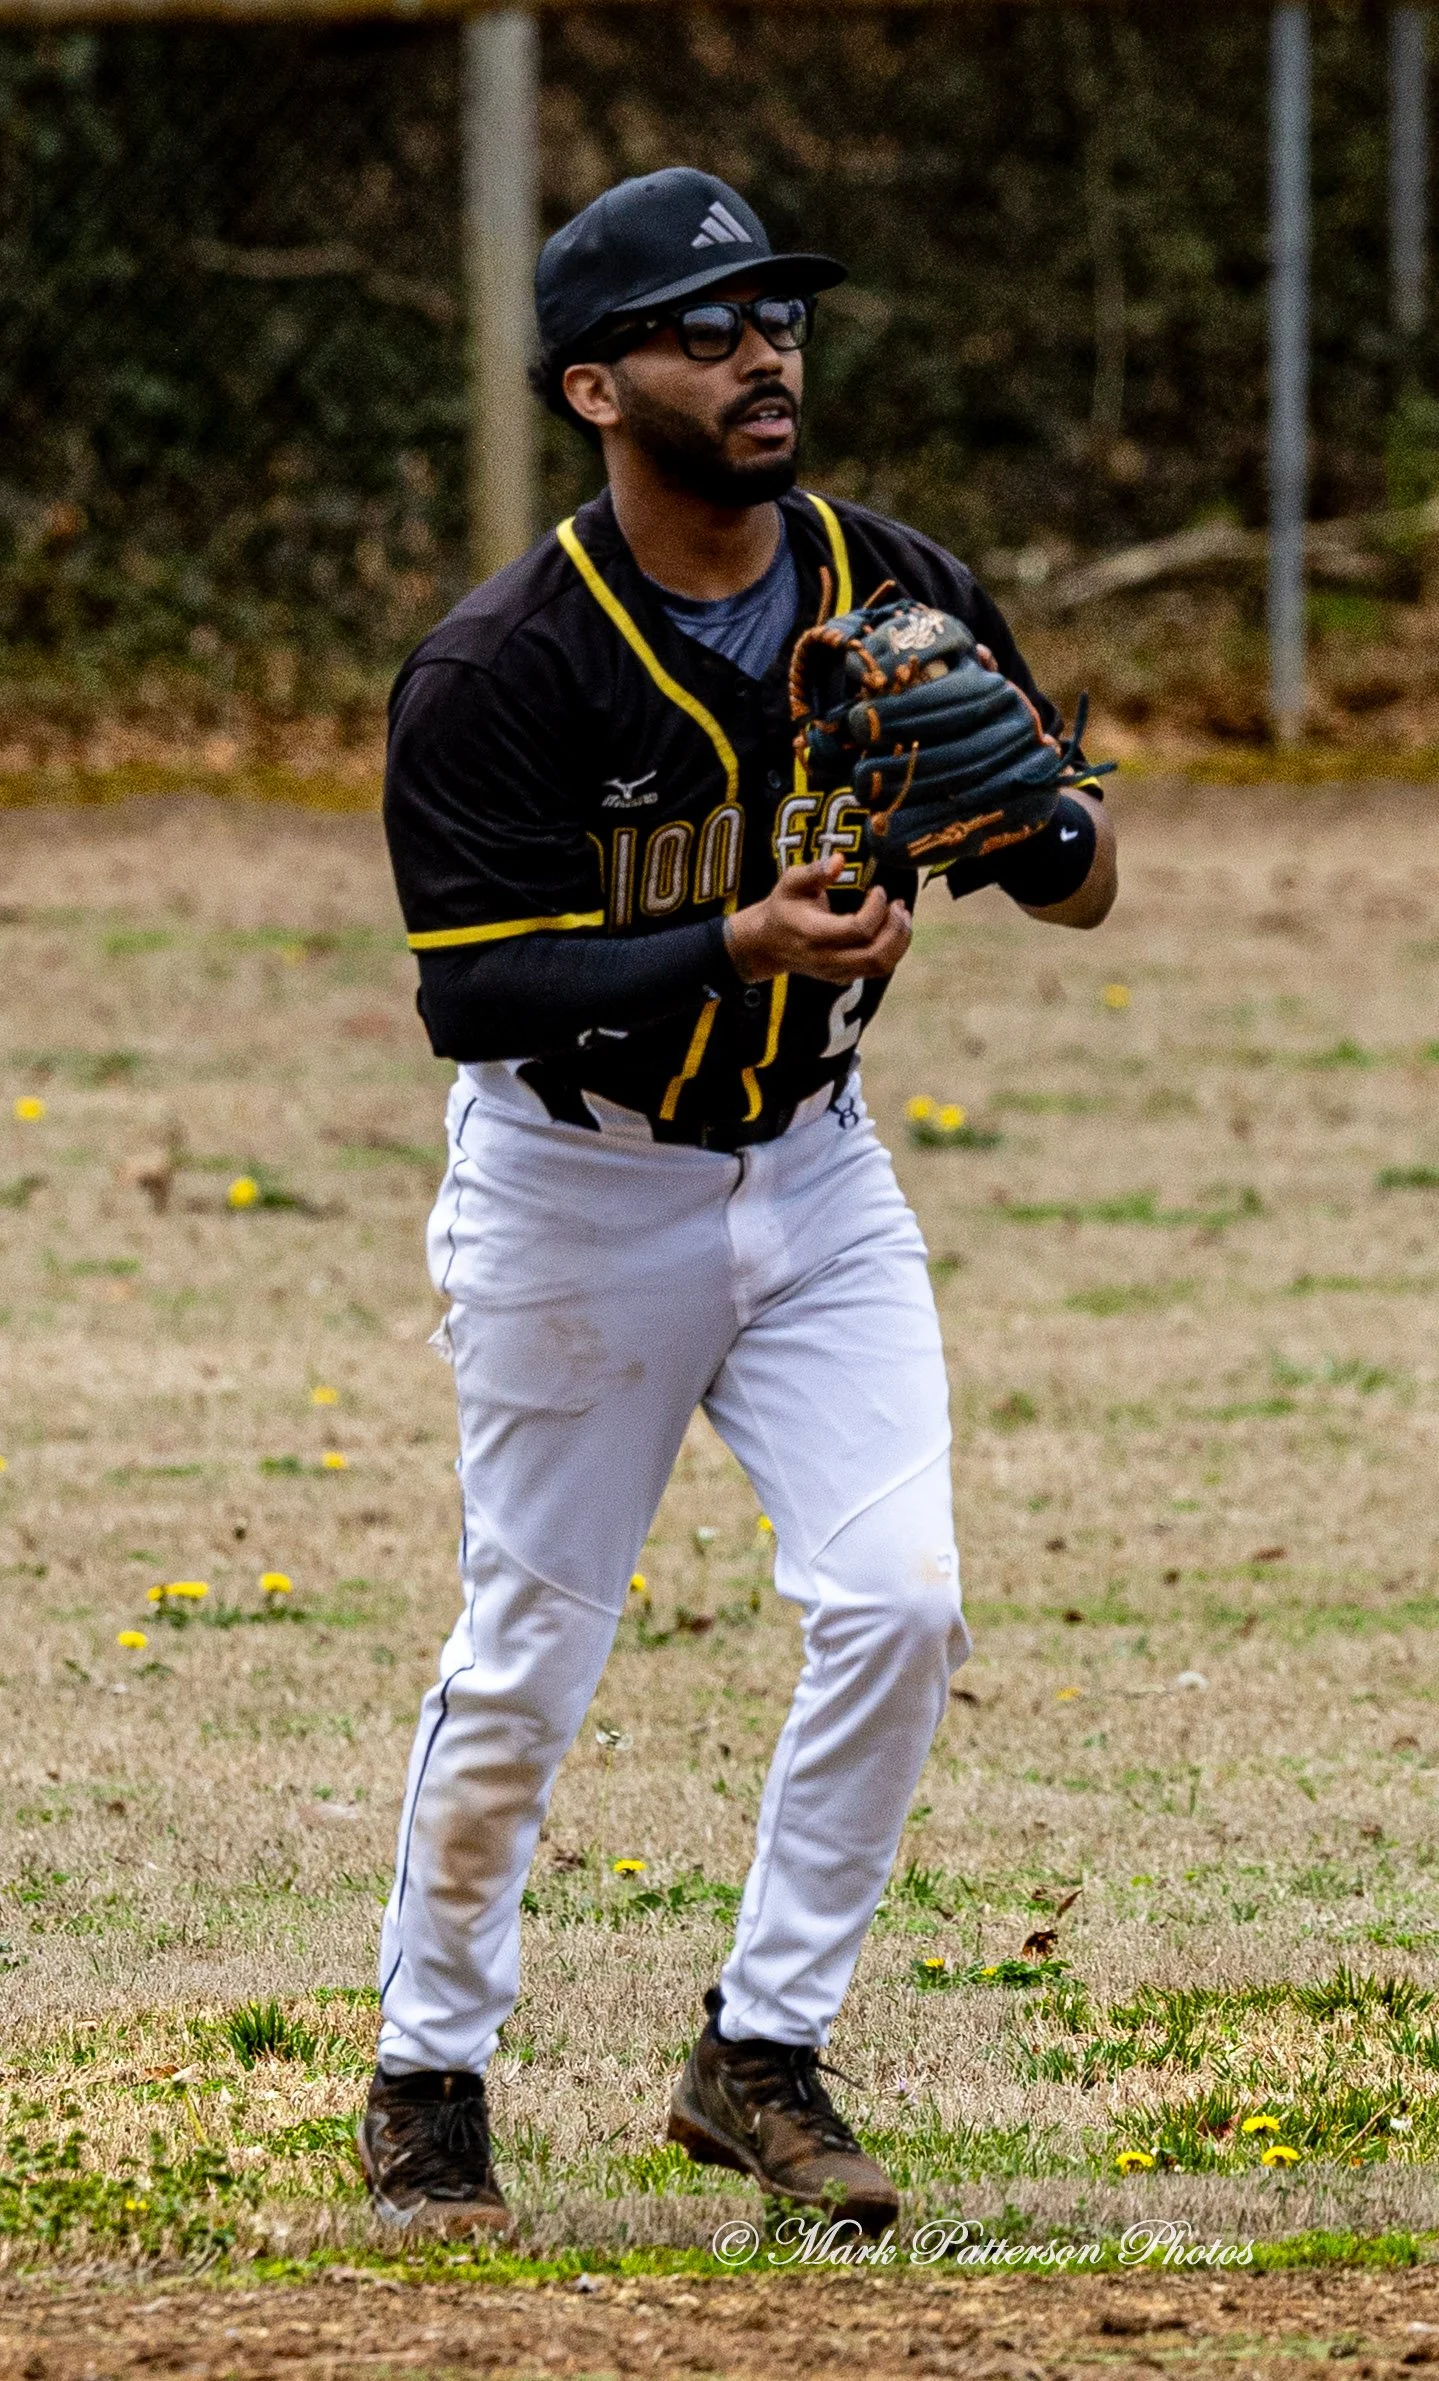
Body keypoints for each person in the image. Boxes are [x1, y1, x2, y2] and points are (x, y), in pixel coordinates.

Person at [361, 166, 1117, 2237]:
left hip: (816, 1168)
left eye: (775, 314)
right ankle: (429, 2074)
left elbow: (1075, 877)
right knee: (529, 1655)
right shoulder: (501, 666)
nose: (760, 351)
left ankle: (759, 2051)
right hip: (570, 1193)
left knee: (901, 1601)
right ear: (593, 388)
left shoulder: (894, 587)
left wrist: (1033, 828)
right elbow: (469, 996)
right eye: (702, 327)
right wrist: (734, 944)